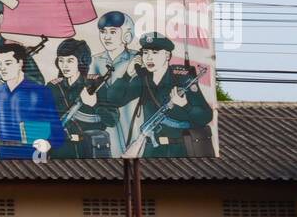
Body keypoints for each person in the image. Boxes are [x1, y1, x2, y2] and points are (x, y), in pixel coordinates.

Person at [82, 32, 213, 158]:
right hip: (152, 151)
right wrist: (127, 75)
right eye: (145, 53)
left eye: (155, 53)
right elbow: (113, 100)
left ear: (167, 55)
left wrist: (185, 105)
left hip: (181, 150)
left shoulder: (183, 79)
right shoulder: (142, 78)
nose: (149, 57)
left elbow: (206, 116)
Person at [0, 46, 65, 159]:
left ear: (20, 63)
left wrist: (48, 143)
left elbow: (57, 131)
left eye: (8, 63)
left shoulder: (41, 92)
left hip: (32, 155)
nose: (2, 68)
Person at [48, 38, 116, 158]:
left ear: (81, 61)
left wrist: (94, 105)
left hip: (90, 150)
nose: (64, 65)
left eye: (70, 60)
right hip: (60, 151)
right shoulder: (53, 87)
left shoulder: (96, 84)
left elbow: (112, 120)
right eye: (61, 60)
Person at [90, 10, 139, 156]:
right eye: (103, 31)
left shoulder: (136, 58)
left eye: (113, 32)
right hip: (106, 123)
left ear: (126, 34)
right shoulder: (95, 61)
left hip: (131, 118)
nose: (106, 37)